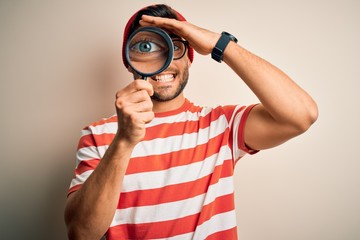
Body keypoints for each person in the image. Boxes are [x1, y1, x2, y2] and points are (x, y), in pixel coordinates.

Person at [64, 4, 318, 240]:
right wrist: (123, 141)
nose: (164, 60)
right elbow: (81, 233)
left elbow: (301, 115)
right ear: (129, 62)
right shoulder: (99, 135)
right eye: (145, 47)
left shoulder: (221, 126)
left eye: (175, 46)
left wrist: (221, 44)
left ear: (189, 58)